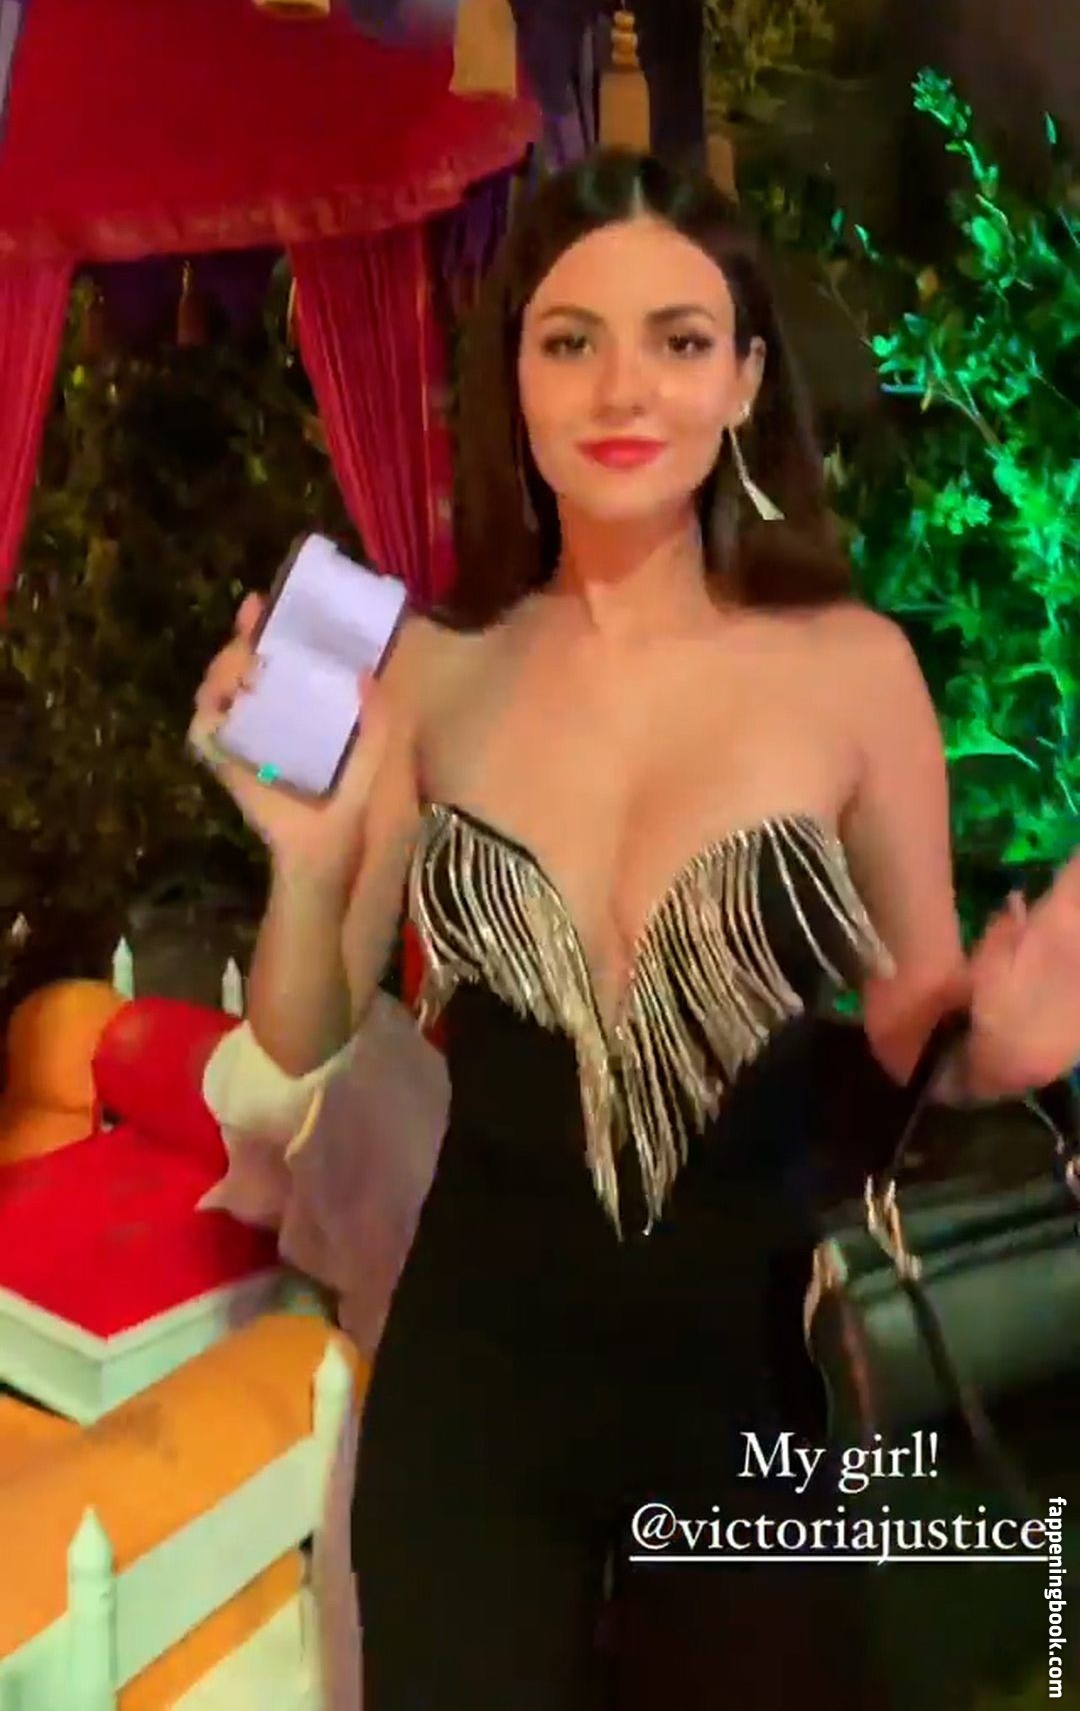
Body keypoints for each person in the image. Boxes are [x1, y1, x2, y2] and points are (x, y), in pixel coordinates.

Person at [190, 149, 1080, 1710]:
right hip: (476, 1387)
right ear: (515, 380)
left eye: (679, 340)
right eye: (569, 340)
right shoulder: (434, 669)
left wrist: (991, 1050)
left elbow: (908, 1029)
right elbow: (299, 1034)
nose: (623, 388)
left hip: (748, 1390)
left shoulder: (851, 669)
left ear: (744, 380)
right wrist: (309, 868)